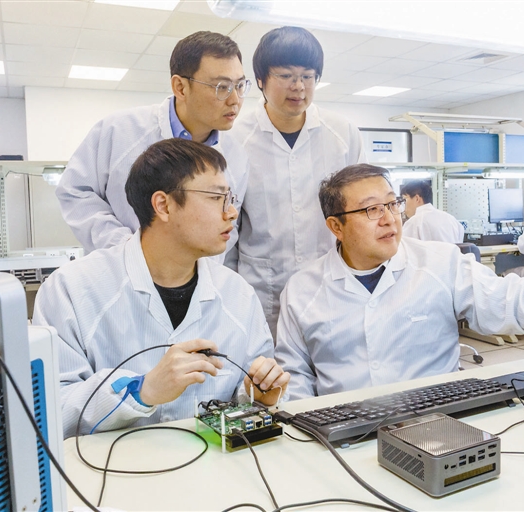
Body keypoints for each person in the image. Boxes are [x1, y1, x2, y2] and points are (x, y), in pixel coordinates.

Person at [274, 164, 524, 399]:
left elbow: (509, 300)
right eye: (371, 210)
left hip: (436, 419)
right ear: (336, 226)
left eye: (392, 204)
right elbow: (295, 377)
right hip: (341, 430)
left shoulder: (440, 263)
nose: (390, 218)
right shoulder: (302, 290)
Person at [34, 139, 289, 437]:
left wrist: (260, 395)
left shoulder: (238, 295)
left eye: (230, 198)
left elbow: (246, 398)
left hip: (215, 463)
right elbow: (48, 410)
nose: (232, 212)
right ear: (163, 206)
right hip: (110, 466)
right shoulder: (71, 290)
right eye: (216, 198)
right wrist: (142, 391)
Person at [57, 31, 250, 258]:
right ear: (180, 87)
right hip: (119, 269)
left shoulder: (236, 156)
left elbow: (229, 225)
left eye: (240, 86)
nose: (235, 100)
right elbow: (75, 191)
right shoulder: (119, 131)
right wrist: (124, 247)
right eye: (222, 87)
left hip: (195, 277)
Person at [229, 26, 365, 337]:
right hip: (262, 292)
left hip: (332, 286)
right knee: (268, 363)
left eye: (307, 76)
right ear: (261, 80)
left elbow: (361, 212)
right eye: (286, 75)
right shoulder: (234, 140)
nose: (299, 86)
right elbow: (226, 229)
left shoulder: (342, 134)